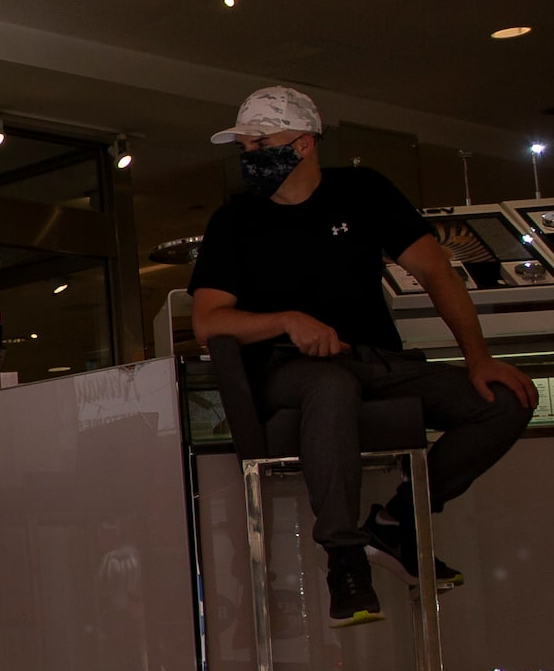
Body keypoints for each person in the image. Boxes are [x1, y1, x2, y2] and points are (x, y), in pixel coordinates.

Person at [189, 85, 534, 626]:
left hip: (374, 360)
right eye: (245, 147)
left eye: (261, 143)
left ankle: (398, 521)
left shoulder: (363, 191)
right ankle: (345, 560)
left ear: (303, 144)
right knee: (330, 386)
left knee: (503, 401)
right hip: (286, 371)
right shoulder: (235, 221)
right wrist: (286, 320)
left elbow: (435, 270)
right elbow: (208, 321)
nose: (250, 156)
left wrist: (479, 359)